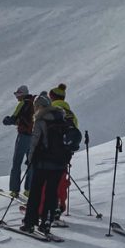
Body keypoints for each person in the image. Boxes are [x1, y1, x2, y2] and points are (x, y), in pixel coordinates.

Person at [21, 93, 70, 235]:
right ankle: (46, 222)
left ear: (40, 106)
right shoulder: (61, 118)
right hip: (59, 163)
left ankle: (29, 223)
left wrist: (30, 159)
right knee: (51, 193)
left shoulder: (41, 120)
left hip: (43, 163)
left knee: (35, 192)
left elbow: (34, 142)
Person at [48, 83, 78, 221]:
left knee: (47, 180)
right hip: (66, 153)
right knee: (61, 179)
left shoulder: (51, 110)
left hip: (51, 152)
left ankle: (47, 208)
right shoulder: (71, 114)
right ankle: (61, 204)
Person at [2, 85, 35, 197]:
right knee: (31, 163)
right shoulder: (34, 103)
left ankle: (15, 190)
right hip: (34, 137)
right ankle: (29, 190)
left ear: (22, 94)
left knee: (17, 163)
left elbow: (13, 119)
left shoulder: (22, 104)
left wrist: (6, 120)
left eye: (17, 94)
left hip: (23, 136)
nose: (16, 97)